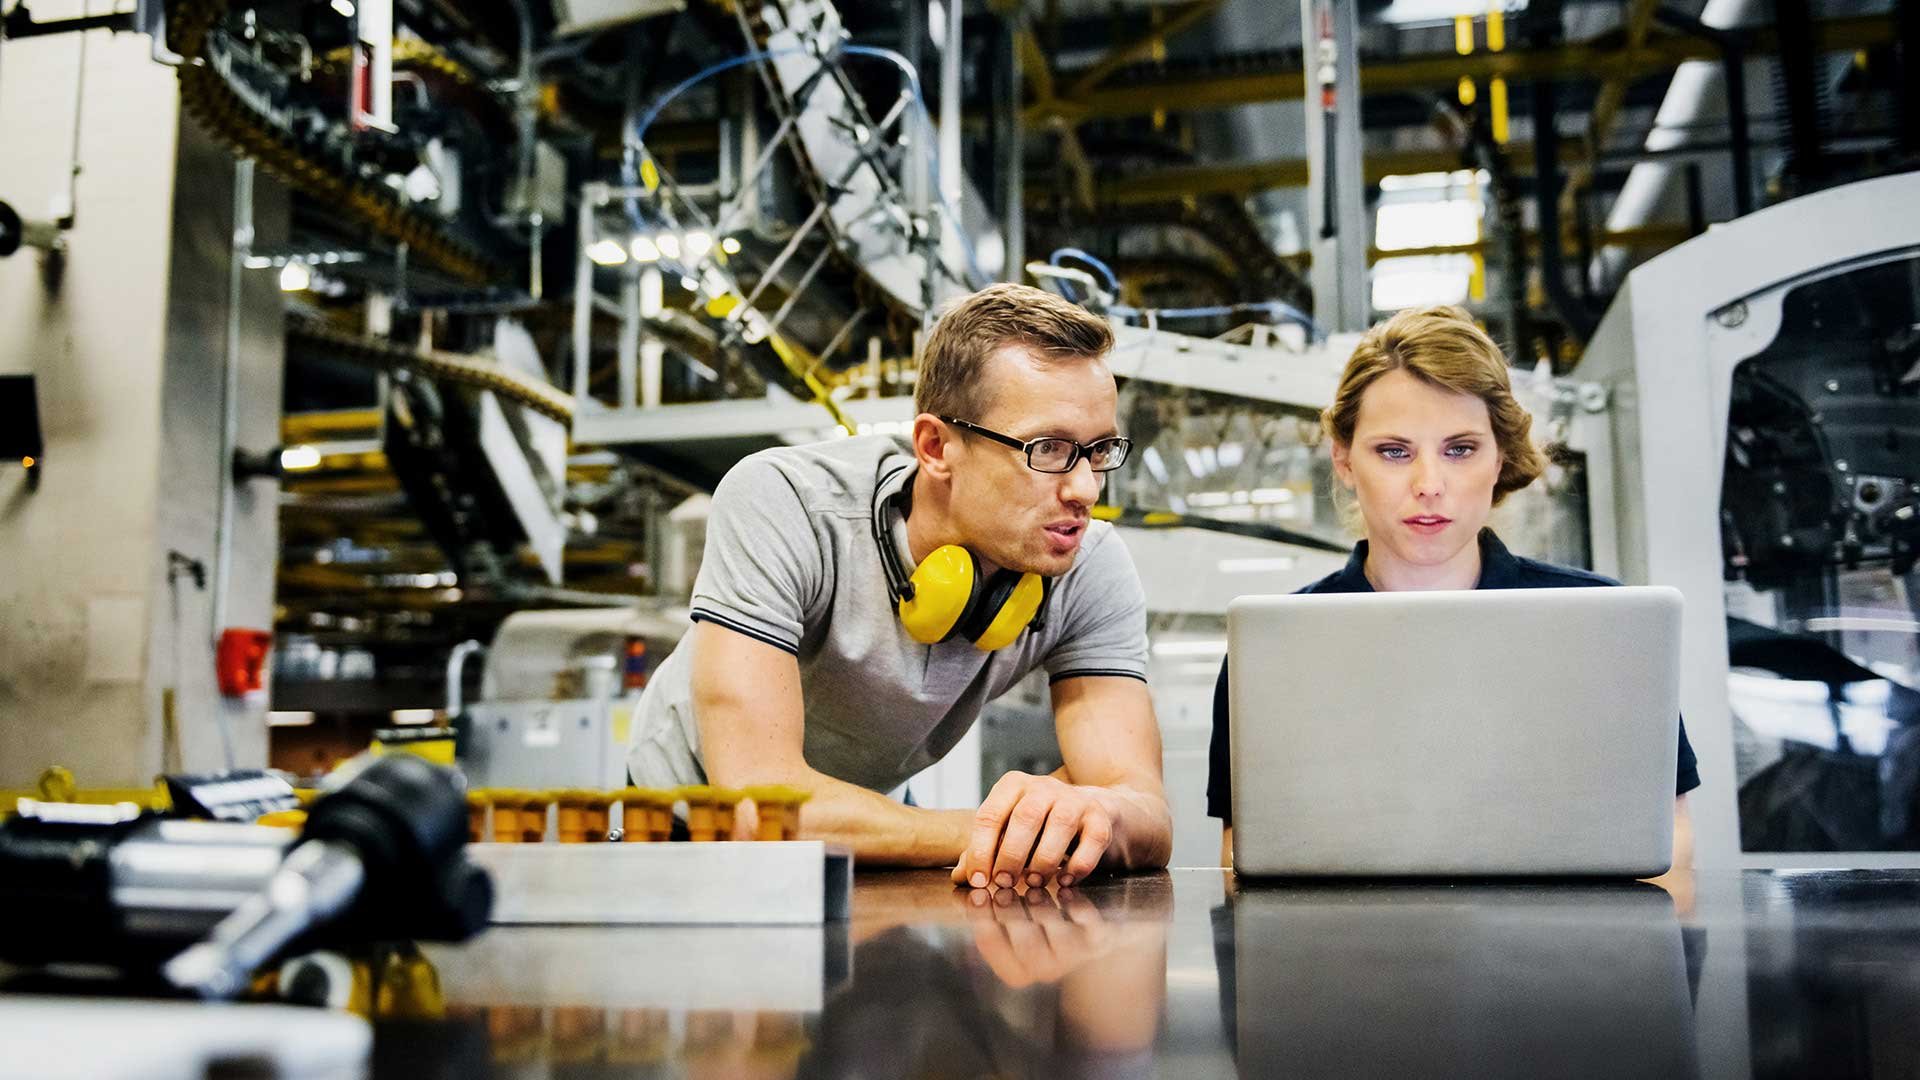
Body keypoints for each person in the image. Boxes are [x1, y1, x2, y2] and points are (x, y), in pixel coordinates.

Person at [628, 283, 1172, 888]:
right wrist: (996, 831)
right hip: (683, 829)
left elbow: (1143, 809)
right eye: (1048, 449)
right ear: (937, 447)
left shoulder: (1088, 564)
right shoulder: (786, 504)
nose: (1086, 491)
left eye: (1098, 452)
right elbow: (760, 808)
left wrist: (1094, 813)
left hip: (869, 831)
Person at [1207, 305, 1701, 867]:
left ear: (1499, 459)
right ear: (1343, 458)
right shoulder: (1273, 650)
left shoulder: (1609, 629)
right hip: (1347, 950)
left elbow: (1669, 840)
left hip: (1563, 950)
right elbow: (1242, 855)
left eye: (1460, 449)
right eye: (1394, 452)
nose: (1429, 485)